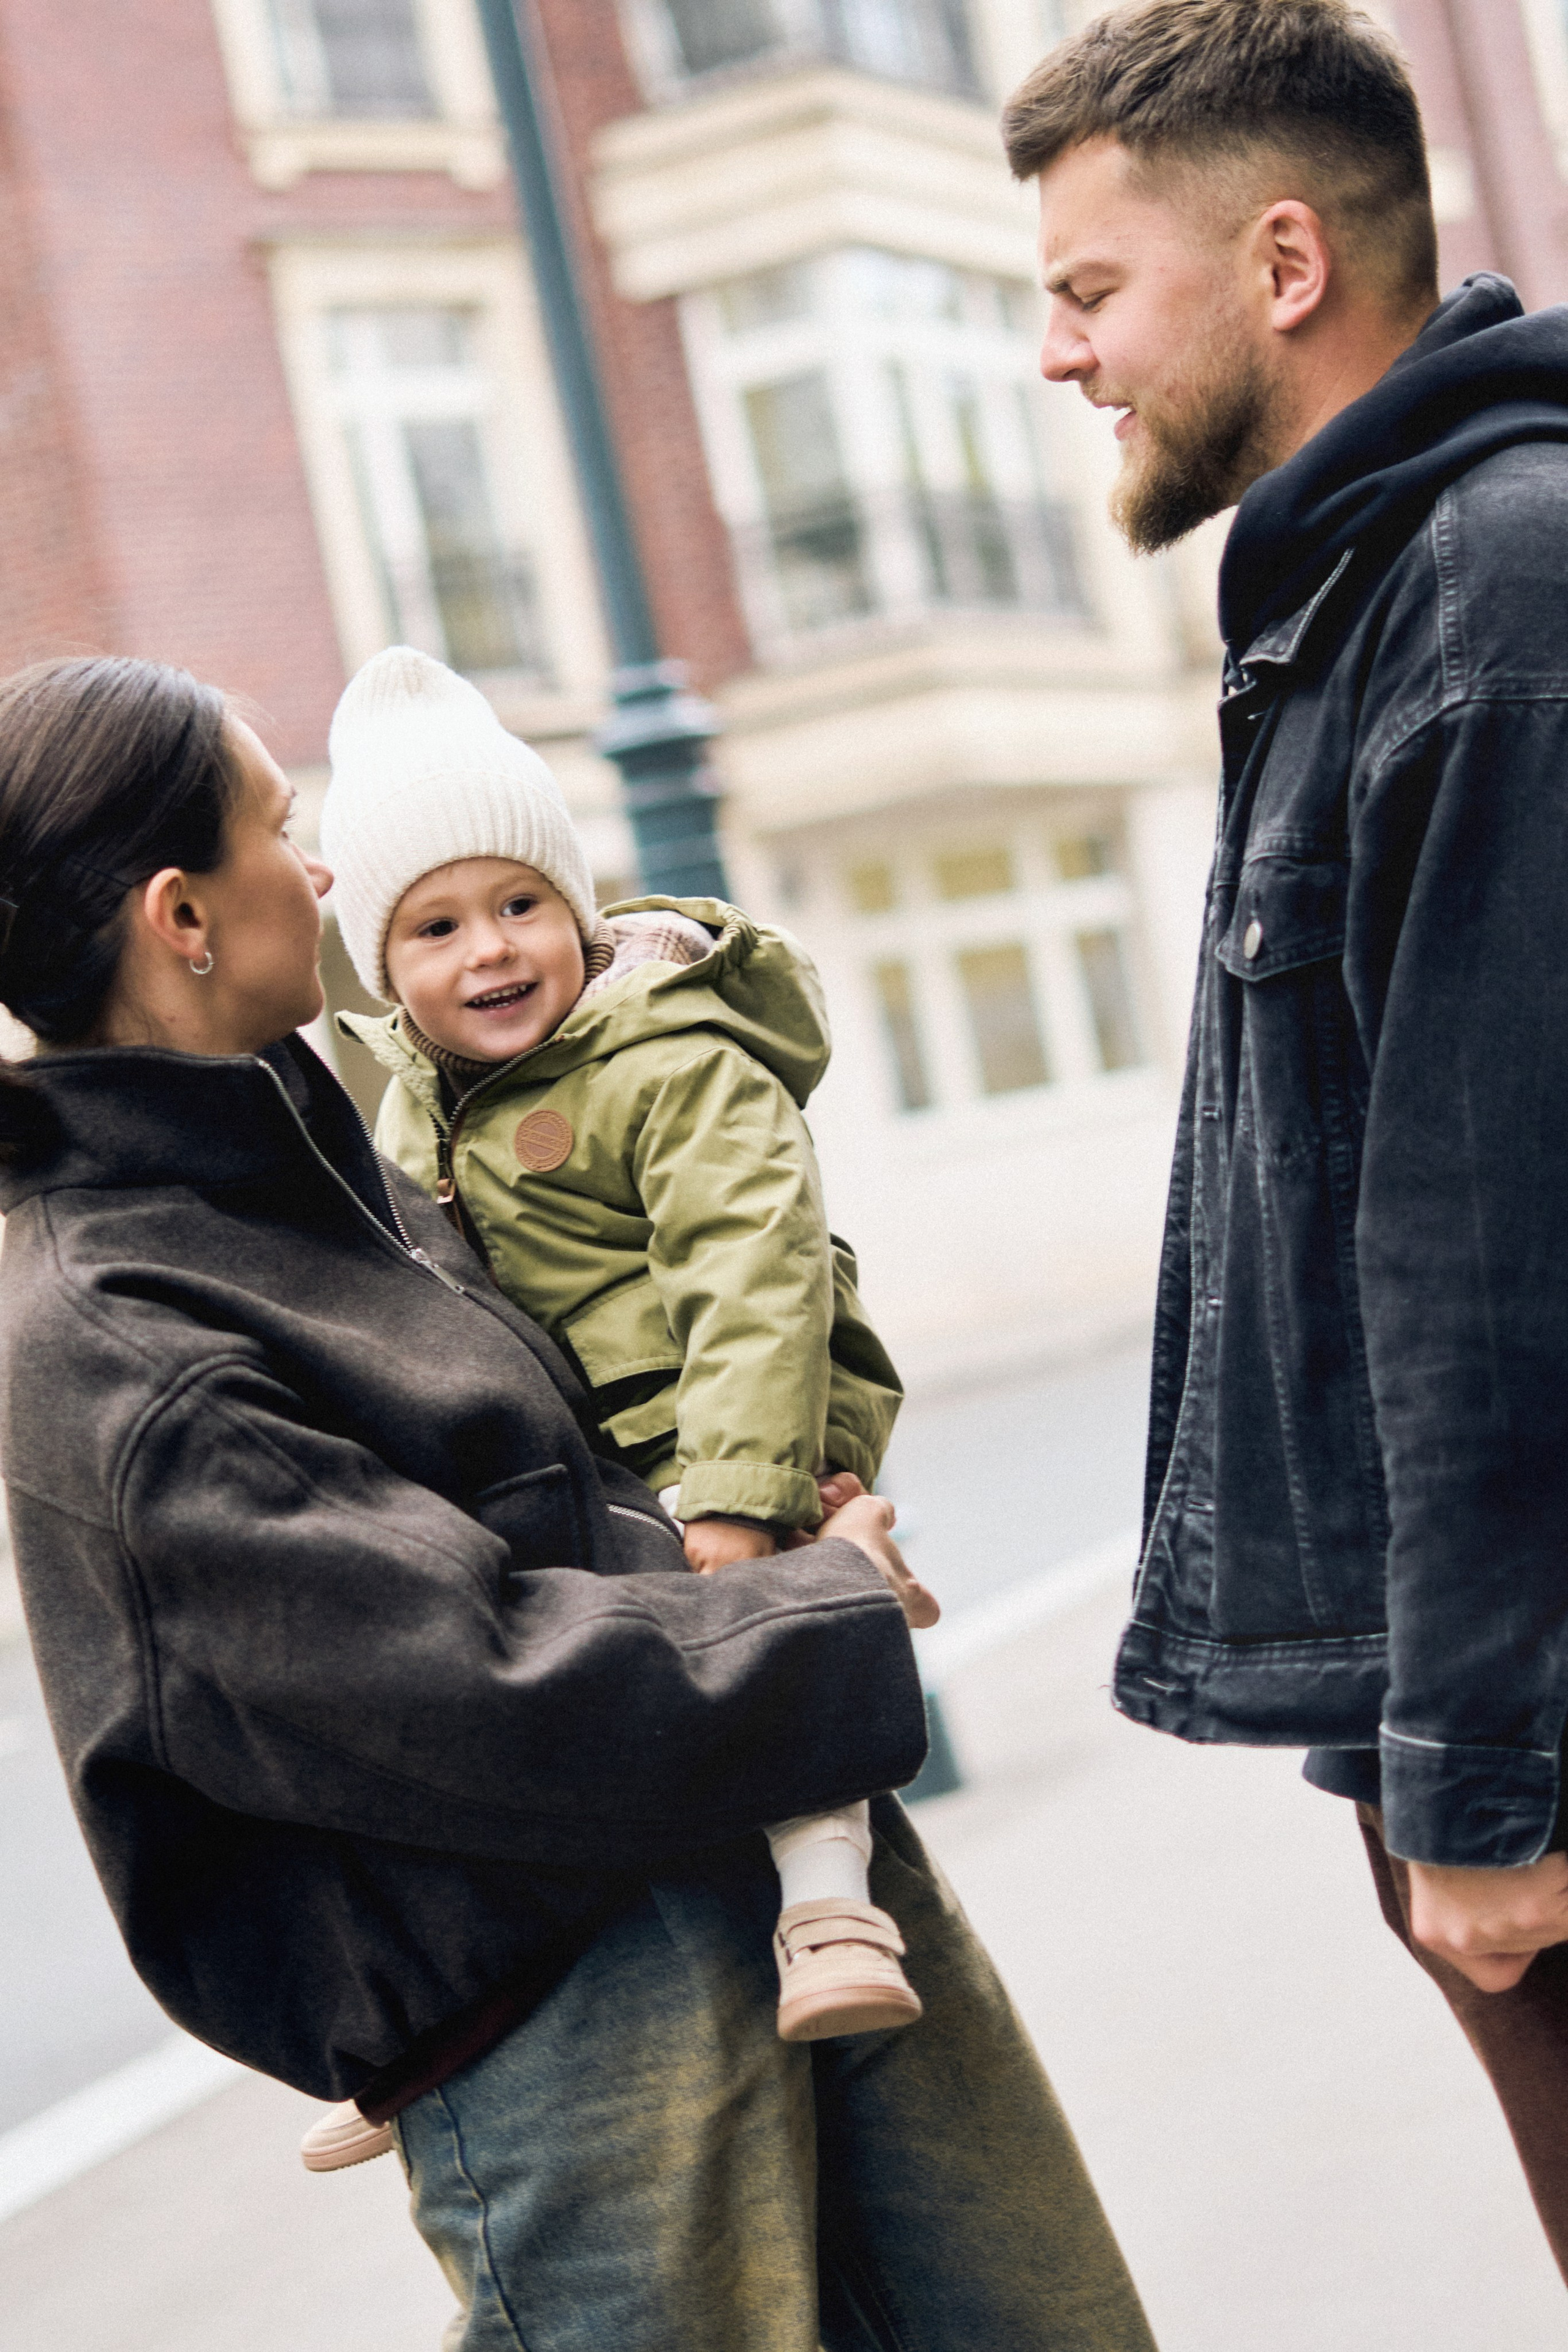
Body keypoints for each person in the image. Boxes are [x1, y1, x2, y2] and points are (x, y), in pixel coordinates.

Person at [0, 652, 1156, 2350]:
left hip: (747, 1885)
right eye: (281, 830)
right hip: (574, 2035)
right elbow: (464, 1675)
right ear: (182, 915)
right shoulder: (119, 1328)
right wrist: (819, 1603)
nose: (319, 873)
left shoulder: (333, 1166)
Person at [1004, 0, 1568, 2281]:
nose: (1063, 358)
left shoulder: (1488, 596)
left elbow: (1489, 1248)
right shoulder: (1371, 594)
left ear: (1283, 260)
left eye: (1087, 291)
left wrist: (1487, 1790)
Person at [304, 644, 929, 2174]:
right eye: (436, 927)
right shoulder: (409, 1100)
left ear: (578, 913)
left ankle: (831, 1904)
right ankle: (433, 2030)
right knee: (520, 1721)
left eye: (522, 905)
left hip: (724, 1419)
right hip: (575, 1461)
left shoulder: (675, 1058)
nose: (492, 951)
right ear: (385, 970)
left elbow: (754, 1264)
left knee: (767, 1630)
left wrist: (738, 1480)